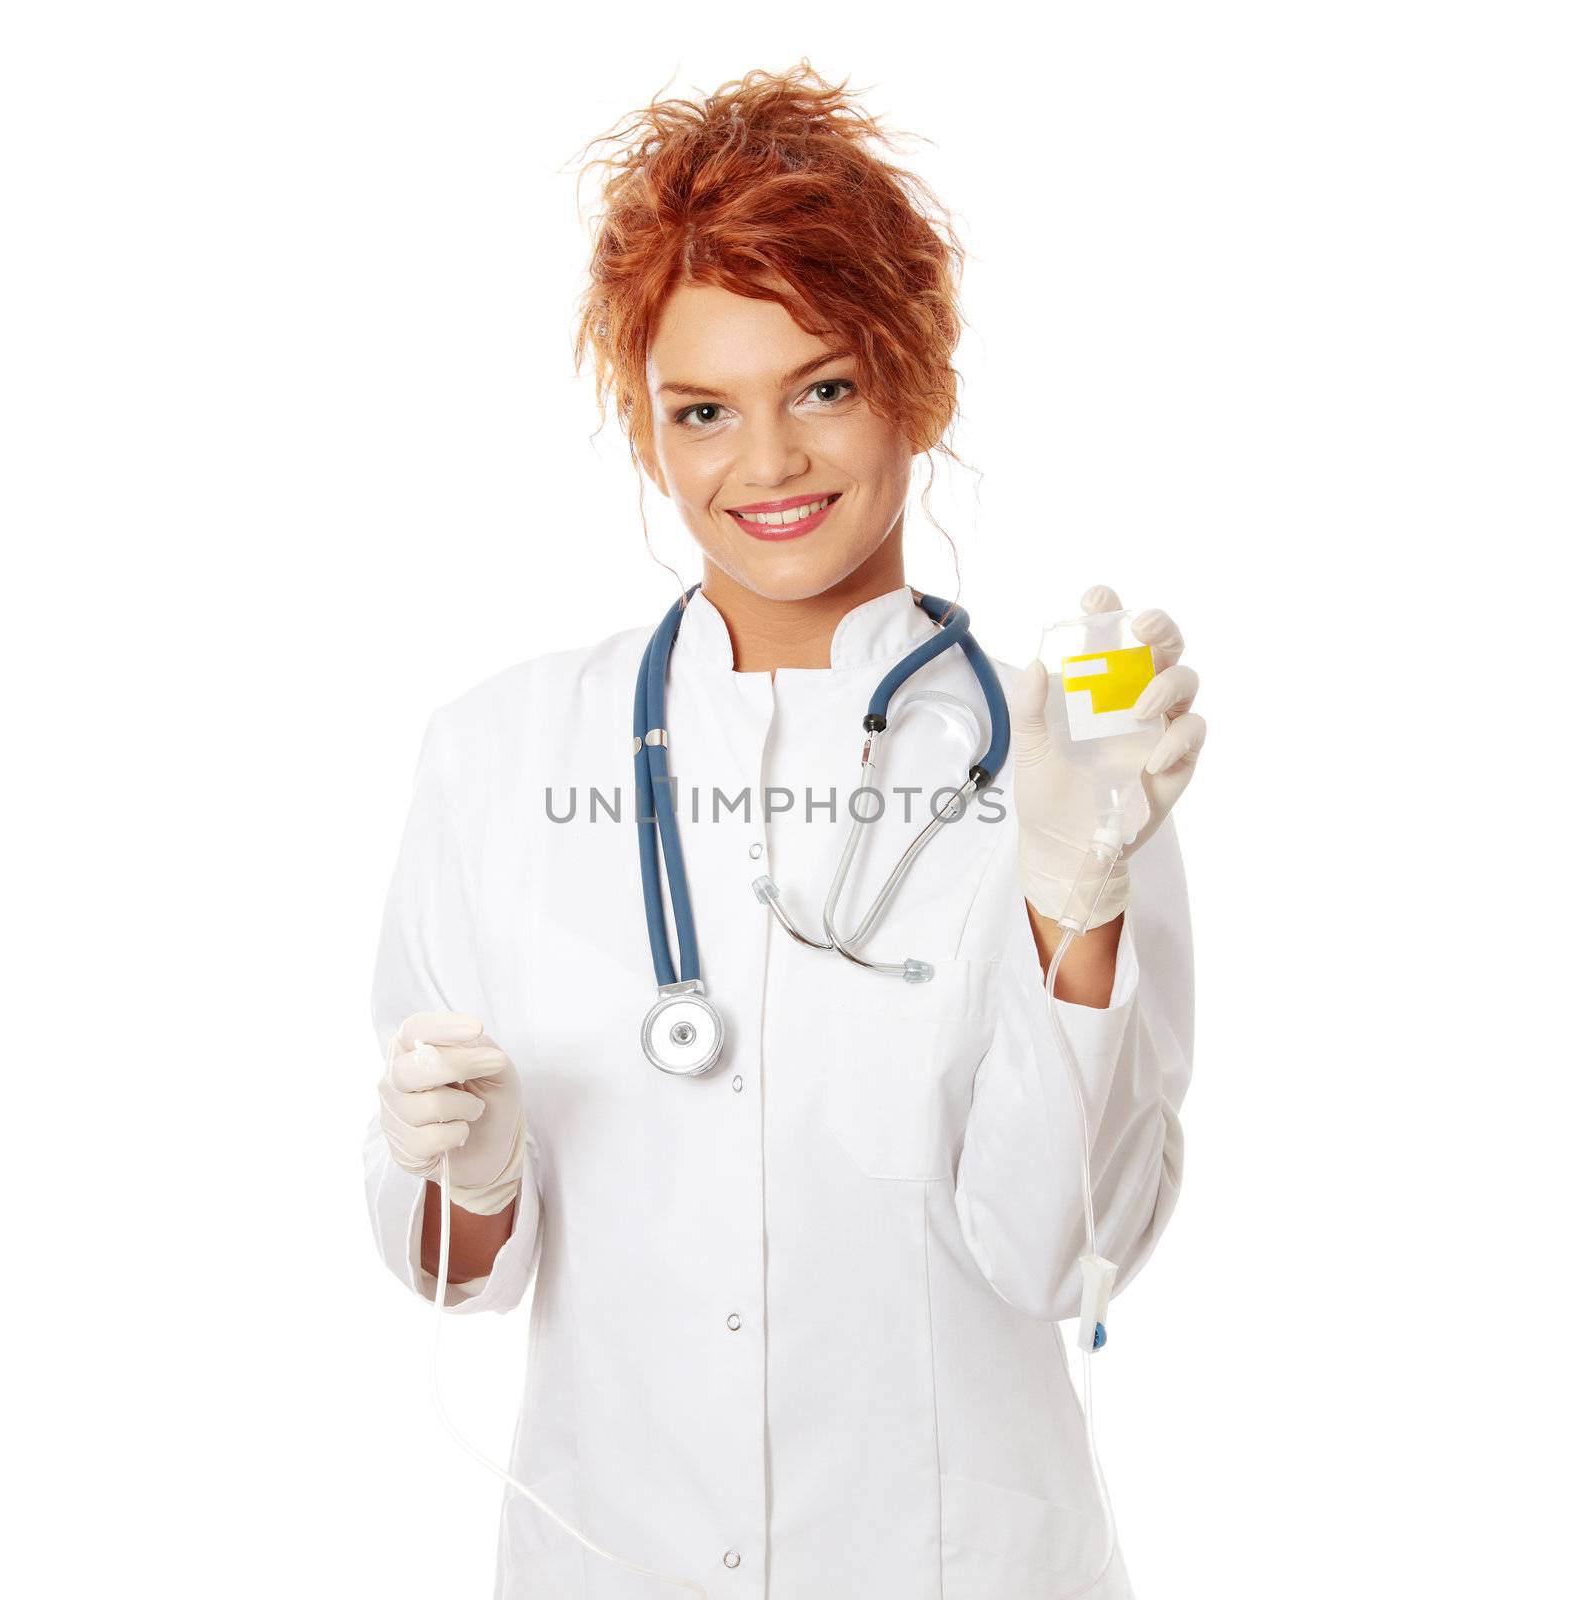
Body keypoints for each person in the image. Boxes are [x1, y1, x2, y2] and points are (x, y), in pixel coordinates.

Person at [365, 61, 1204, 1600]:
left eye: (823, 386)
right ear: (649, 429)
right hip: (609, 1557)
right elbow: (450, 1274)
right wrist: (466, 1174)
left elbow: (1057, 1256)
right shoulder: (498, 757)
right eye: (704, 410)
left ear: (919, 381)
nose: (766, 465)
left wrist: (1077, 899)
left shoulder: (1073, 758)